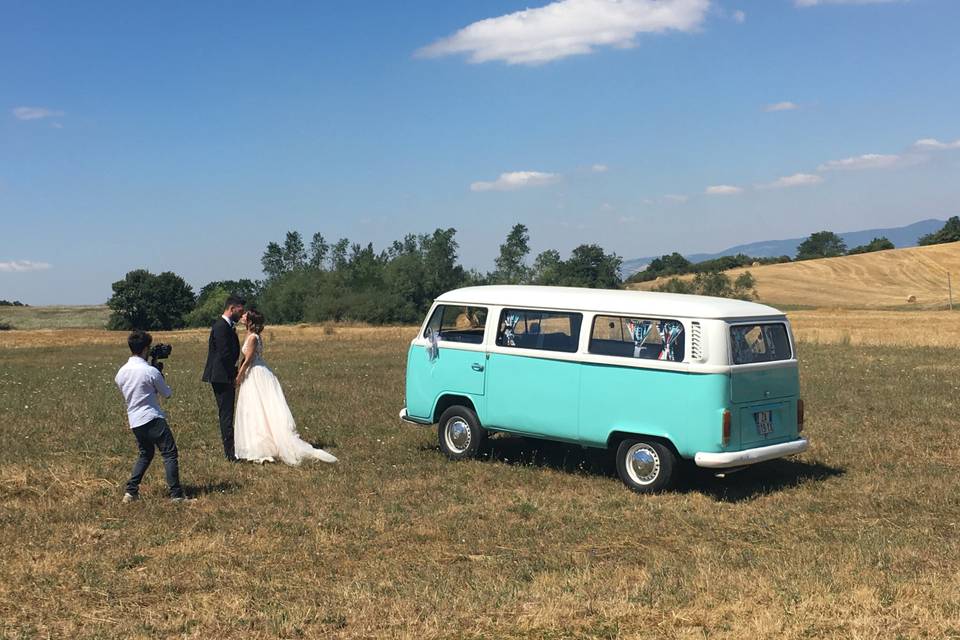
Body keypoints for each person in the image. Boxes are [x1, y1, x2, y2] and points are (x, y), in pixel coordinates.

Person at [234, 309, 338, 465]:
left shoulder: (254, 337)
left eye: (244, 316)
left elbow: (248, 359)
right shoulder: (250, 335)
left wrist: (239, 375)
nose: (241, 317)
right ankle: (257, 442)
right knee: (255, 408)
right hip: (255, 371)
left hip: (256, 373)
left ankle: (263, 446)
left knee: (257, 407)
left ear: (249, 321)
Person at [115, 330, 188, 503]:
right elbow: (167, 393)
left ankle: (130, 492)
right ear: (146, 349)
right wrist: (159, 374)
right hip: (152, 417)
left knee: (145, 454)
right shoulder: (149, 371)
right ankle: (176, 495)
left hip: (135, 420)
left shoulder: (121, 372)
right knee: (169, 453)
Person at [201, 295, 244, 461]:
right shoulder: (220, 327)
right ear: (231, 308)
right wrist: (234, 373)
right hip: (221, 376)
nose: (241, 314)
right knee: (226, 413)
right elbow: (225, 354)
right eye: (240, 311)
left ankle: (231, 449)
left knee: (227, 412)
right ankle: (230, 453)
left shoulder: (227, 326)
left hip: (224, 374)